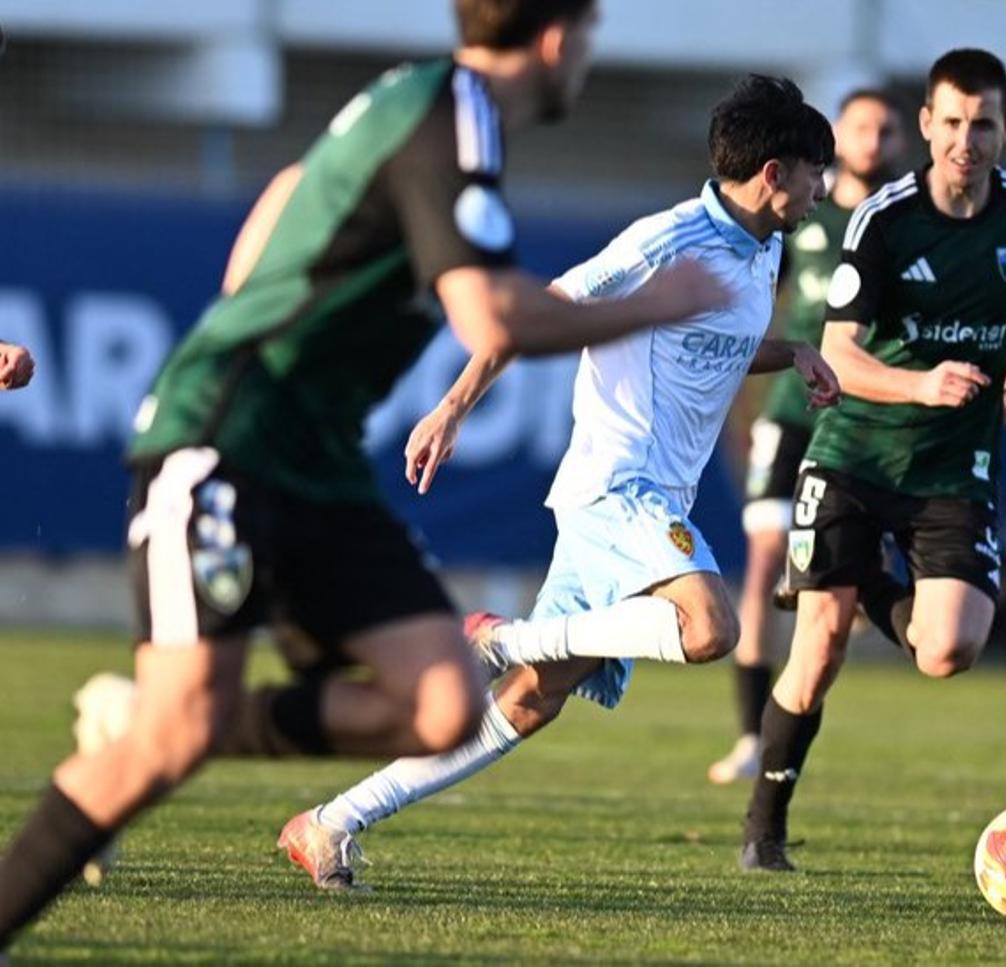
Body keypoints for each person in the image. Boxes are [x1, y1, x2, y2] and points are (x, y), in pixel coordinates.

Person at [0, 0, 729, 950]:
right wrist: (656, 306)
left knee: (439, 703)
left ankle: (155, 719)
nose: (585, 57)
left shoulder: (421, 108)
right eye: (587, 35)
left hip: (318, 461)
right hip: (227, 447)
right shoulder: (453, 110)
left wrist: (257, 318)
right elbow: (494, 319)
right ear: (555, 39)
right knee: (168, 746)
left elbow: (289, 192)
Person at [273, 74, 839, 889]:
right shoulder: (665, 240)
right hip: (618, 485)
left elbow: (709, 343)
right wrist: (454, 406)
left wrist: (794, 353)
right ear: (775, 173)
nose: (824, 189)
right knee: (710, 627)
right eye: (817, 171)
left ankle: (330, 822)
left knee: (531, 700)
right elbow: (538, 309)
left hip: (648, 502)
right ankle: (510, 635)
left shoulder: (765, 247)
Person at [739, 48, 1006, 873]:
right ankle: (764, 834)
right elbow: (840, 357)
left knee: (947, 651)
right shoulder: (881, 219)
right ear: (927, 125)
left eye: (982, 124)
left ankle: (857, 585)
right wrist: (922, 384)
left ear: (1005, 129)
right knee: (815, 654)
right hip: (854, 451)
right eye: (951, 122)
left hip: (954, 467)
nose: (966, 140)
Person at [707, 88, 907, 785]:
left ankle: (784, 727)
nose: (873, 141)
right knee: (762, 563)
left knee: (830, 586)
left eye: (886, 129)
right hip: (793, 411)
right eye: (861, 127)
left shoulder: (903, 223)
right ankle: (747, 732)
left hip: (861, 418)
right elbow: (755, 305)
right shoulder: (802, 220)